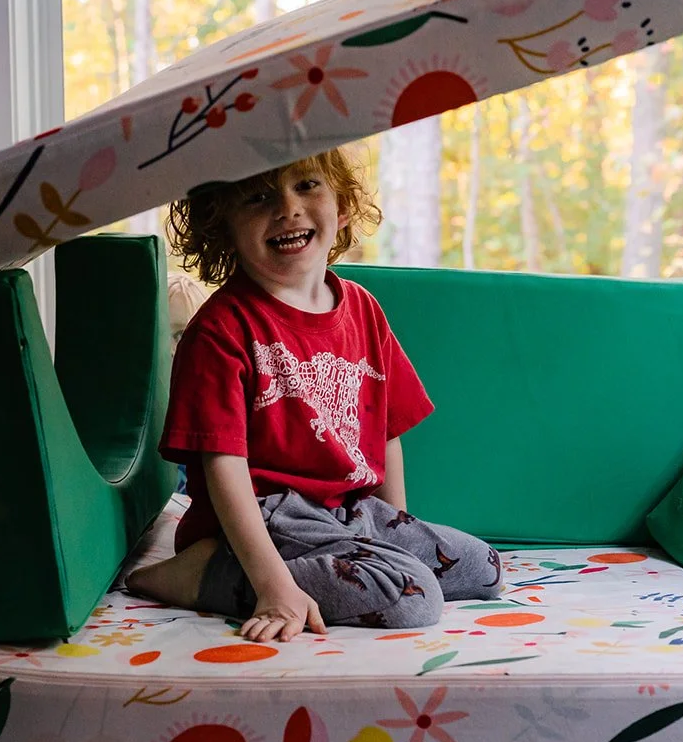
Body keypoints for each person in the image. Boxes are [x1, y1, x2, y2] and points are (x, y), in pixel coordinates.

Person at [127, 149, 504, 643]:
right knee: (411, 596)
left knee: (485, 567)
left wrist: (392, 529)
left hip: (349, 510)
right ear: (223, 226)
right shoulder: (222, 330)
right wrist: (273, 586)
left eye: (306, 185)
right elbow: (224, 466)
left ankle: (356, 561)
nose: (287, 208)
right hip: (268, 515)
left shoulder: (364, 309)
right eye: (259, 196)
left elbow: (387, 432)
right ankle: (202, 573)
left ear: (342, 204)